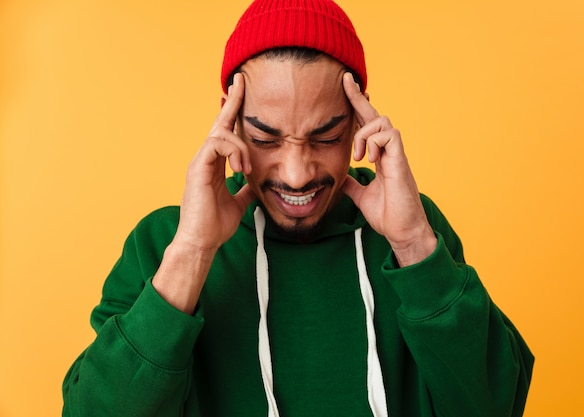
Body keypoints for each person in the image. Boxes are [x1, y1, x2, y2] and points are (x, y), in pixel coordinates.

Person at [62, 0, 534, 416]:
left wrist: (413, 246)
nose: (296, 173)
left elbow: (496, 404)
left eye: (325, 136)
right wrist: (191, 253)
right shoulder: (164, 242)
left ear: (359, 121)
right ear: (228, 119)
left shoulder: (411, 229)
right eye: (266, 138)